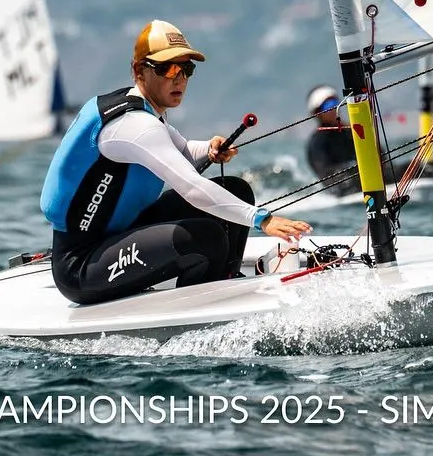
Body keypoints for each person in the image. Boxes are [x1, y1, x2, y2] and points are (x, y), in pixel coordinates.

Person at [40, 19, 311, 305]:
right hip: (81, 265)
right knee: (206, 238)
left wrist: (209, 149)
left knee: (235, 189)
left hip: (123, 231)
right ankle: (203, 307)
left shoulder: (146, 112)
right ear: (139, 71)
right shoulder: (134, 125)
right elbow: (191, 186)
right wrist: (262, 219)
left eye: (186, 69)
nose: (179, 78)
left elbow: (181, 153)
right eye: (167, 69)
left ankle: (224, 279)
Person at [304, 85, 431, 192]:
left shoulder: (350, 131)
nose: (333, 109)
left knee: (421, 168)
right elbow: (326, 175)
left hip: (370, 177)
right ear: (317, 113)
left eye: (335, 104)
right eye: (327, 106)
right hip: (346, 186)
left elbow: (381, 159)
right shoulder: (317, 142)